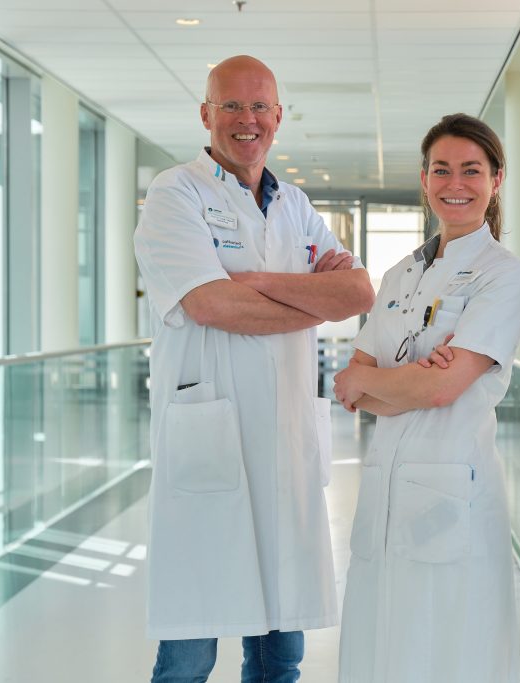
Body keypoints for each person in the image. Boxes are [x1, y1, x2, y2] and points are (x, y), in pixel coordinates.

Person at [133, 54, 374, 682]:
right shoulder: (173, 194)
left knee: (280, 655)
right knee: (190, 653)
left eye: (260, 106)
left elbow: (357, 294)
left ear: (278, 117)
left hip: (285, 453)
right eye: (232, 106)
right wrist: (304, 296)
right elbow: (210, 303)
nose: (248, 120)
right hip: (209, 446)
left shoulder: (294, 204)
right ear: (207, 113)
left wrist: (261, 284)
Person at [332, 113, 520, 683]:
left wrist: (397, 382)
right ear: (424, 180)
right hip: (388, 490)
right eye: (441, 169)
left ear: (496, 180)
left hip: (453, 492)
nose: (455, 183)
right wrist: (406, 381)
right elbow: (354, 384)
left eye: (472, 170)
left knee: (450, 651)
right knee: (382, 648)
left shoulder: (504, 276)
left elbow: (441, 388)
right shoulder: (399, 274)